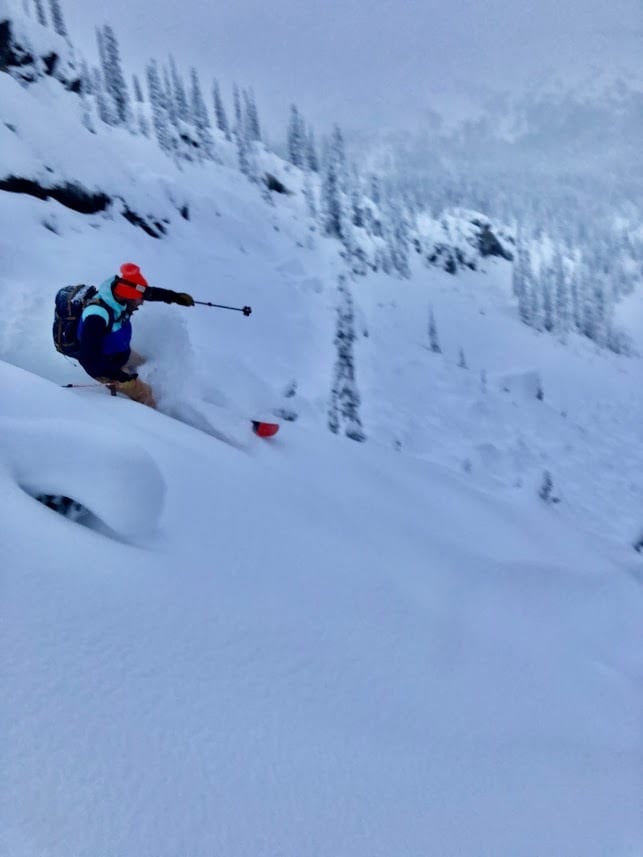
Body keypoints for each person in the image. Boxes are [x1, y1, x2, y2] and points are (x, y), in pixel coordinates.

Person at [77, 262, 194, 407]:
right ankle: (153, 421)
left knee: (145, 362)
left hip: (120, 352)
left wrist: (174, 297)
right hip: (106, 366)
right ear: (129, 297)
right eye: (140, 300)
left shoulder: (121, 291)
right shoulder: (97, 316)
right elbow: (88, 359)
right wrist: (120, 376)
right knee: (145, 393)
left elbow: (147, 292)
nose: (142, 303)